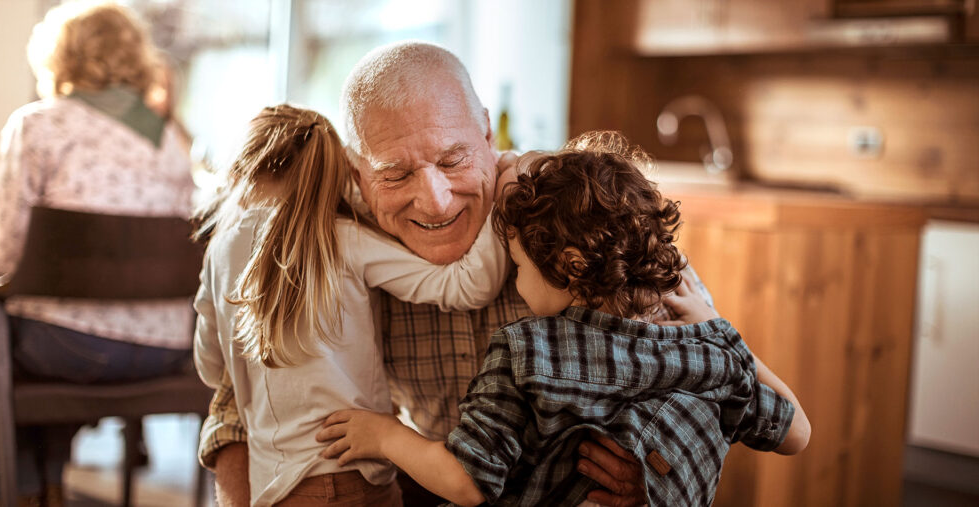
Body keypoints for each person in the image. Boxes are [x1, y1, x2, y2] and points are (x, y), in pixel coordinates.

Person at [200, 41, 705, 507]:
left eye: (454, 159)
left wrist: (659, 472)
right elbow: (234, 401)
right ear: (357, 175)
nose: (436, 202)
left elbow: (710, 373)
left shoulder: (574, 208)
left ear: (486, 134)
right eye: (395, 174)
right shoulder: (333, 235)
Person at [315, 132, 812, 506]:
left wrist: (383, 435)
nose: (515, 281)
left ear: (569, 266)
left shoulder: (525, 352)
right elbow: (796, 434)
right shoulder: (703, 347)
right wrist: (720, 331)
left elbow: (467, 482)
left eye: (520, 266)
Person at [192, 104, 510, 506]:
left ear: (242, 169)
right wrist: (506, 189)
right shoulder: (343, 238)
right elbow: (470, 285)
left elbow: (209, 368)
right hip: (359, 472)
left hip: (276, 485)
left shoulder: (219, 251)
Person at [0, 2, 195, 505]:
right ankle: (49, 484)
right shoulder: (170, 139)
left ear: (59, 57)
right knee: (36, 329)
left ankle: (20, 490)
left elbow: (4, 255)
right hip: (164, 350)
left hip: (69, 349)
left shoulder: (39, 124)